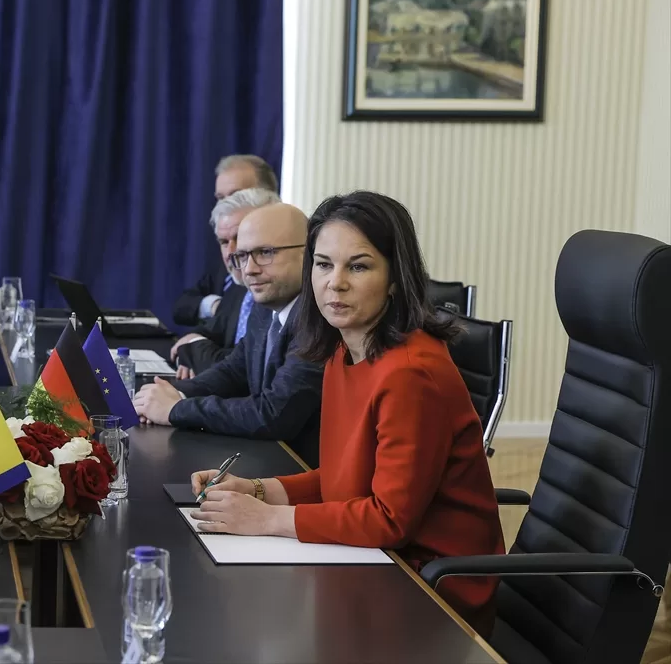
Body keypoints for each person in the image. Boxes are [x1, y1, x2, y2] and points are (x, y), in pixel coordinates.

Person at [188, 191, 505, 635]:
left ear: (395, 278)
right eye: (323, 264)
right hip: (373, 560)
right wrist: (259, 490)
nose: (334, 283)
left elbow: (389, 520)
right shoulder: (343, 350)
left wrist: (268, 519)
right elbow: (345, 478)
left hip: (431, 589)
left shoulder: (411, 373)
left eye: (358, 266)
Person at [135, 204, 324, 466]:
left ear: (308, 253)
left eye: (265, 253)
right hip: (266, 459)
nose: (249, 270)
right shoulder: (264, 307)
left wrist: (176, 409)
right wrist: (169, 394)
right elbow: (234, 371)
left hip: (301, 471)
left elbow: (274, 414)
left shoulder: (318, 318)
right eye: (242, 256)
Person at [171, 187, 278, 377]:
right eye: (224, 242)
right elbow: (210, 331)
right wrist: (192, 345)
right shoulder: (238, 287)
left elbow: (242, 371)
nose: (231, 252)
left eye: (240, 238)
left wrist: (194, 348)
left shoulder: (279, 294)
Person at [172, 154, 279, 327]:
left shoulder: (274, 270)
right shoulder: (228, 258)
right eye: (221, 198)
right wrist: (215, 306)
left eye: (236, 195)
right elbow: (182, 307)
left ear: (266, 199)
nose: (226, 205)